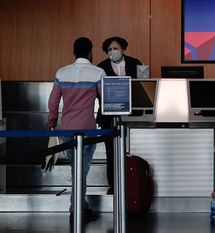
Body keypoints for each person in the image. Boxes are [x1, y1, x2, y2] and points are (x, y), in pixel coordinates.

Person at [48, 37, 105, 222]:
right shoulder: (98, 72)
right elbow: (106, 100)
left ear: (74, 52)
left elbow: (53, 101)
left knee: (77, 169)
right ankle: (76, 208)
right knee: (82, 170)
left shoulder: (62, 72)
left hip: (67, 129)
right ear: (90, 52)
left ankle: (81, 205)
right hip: (88, 130)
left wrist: (52, 121)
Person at [96, 36, 143, 195]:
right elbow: (98, 93)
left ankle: (132, 186)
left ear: (123, 49)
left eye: (115, 48)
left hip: (133, 116)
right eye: (109, 49)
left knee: (133, 151)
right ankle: (114, 187)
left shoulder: (135, 63)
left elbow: (143, 86)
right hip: (108, 117)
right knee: (111, 153)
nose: (112, 52)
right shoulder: (101, 67)